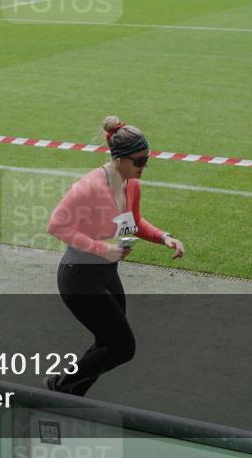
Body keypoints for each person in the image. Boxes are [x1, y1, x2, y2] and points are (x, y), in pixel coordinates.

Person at [45, 116, 185, 396]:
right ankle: (58, 387)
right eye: (140, 161)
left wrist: (163, 237)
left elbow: (133, 222)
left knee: (106, 342)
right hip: (79, 279)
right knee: (123, 348)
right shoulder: (89, 187)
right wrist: (104, 248)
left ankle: (72, 394)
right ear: (120, 159)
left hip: (106, 275)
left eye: (147, 159)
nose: (145, 166)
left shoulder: (131, 183)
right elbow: (56, 226)